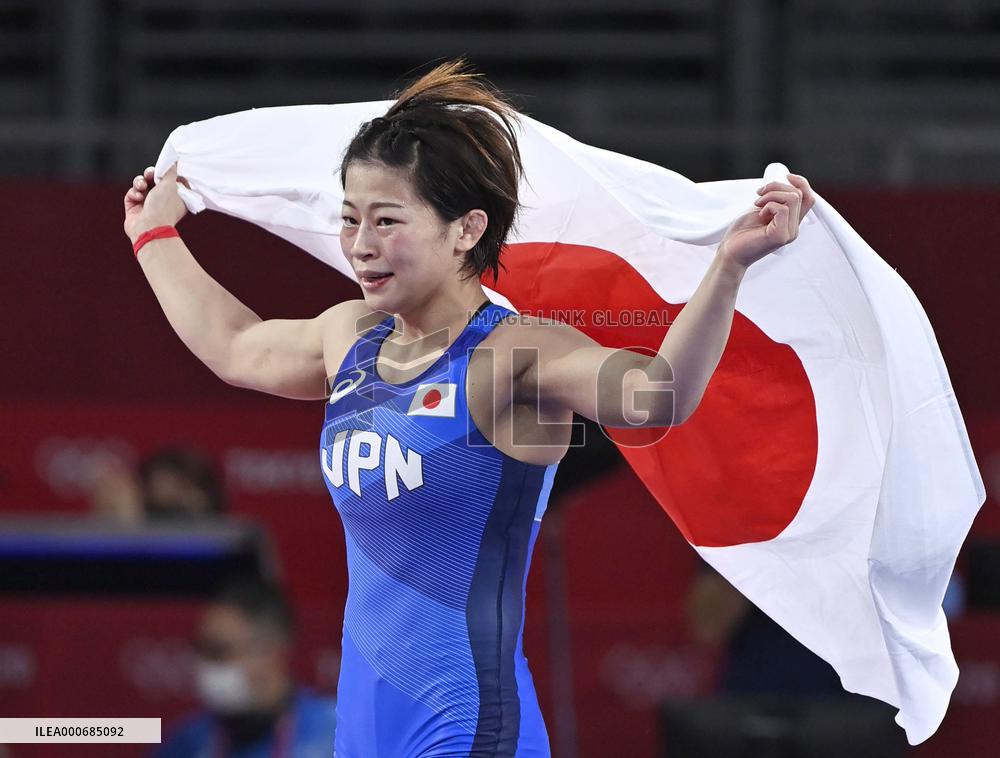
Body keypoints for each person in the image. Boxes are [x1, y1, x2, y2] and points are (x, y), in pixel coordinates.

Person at [122, 59, 814, 757]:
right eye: (350, 219)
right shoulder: (350, 338)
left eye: (388, 220)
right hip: (362, 736)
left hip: (467, 731)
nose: (361, 244)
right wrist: (153, 236)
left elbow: (656, 395)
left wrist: (728, 267)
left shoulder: (514, 355)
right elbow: (237, 345)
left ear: (465, 229)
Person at [155, 579, 336, 758]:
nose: (207, 665)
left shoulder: (335, 733)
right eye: (202, 650)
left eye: (219, 650)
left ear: (270, 650)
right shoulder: (188, 742)